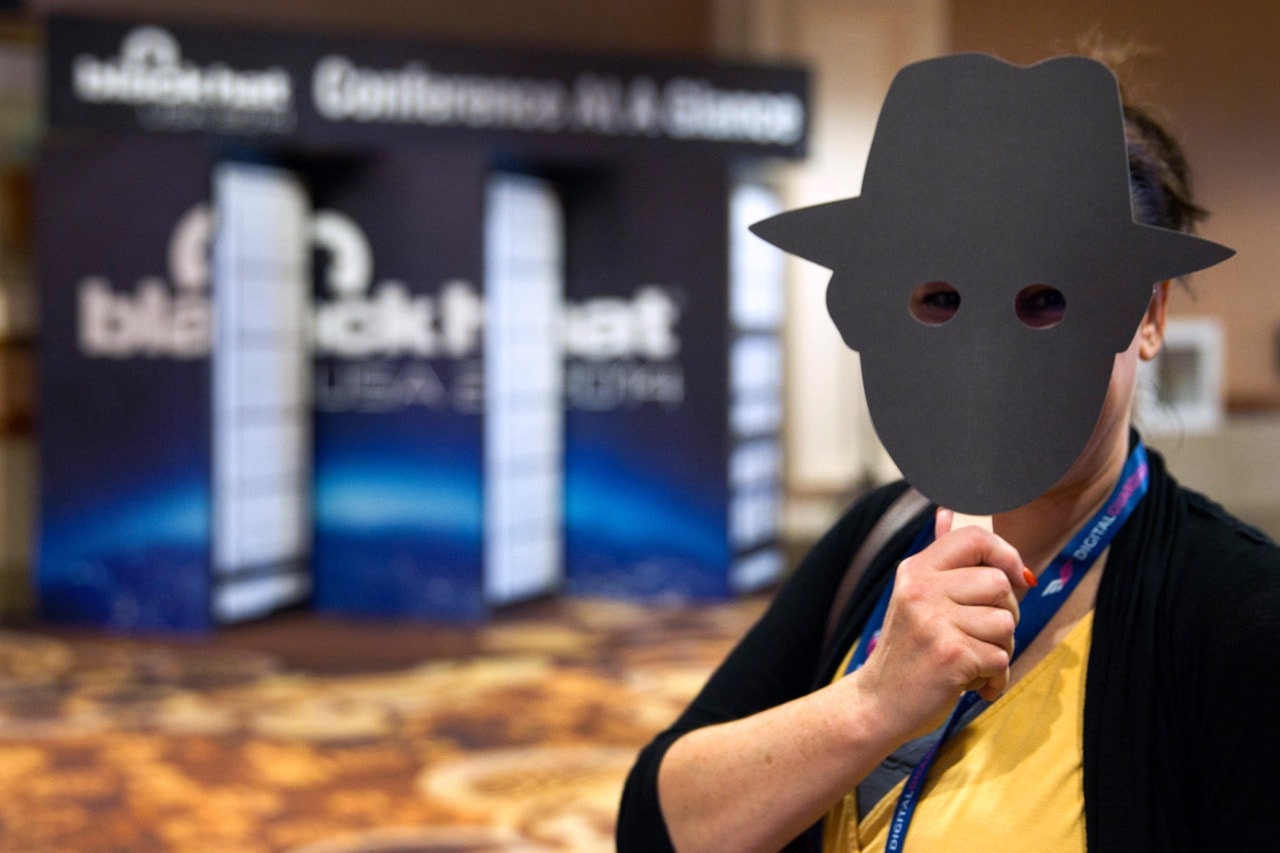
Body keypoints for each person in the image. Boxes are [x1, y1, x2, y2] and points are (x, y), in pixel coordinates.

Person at [616, 54, 1280, 853]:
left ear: (1148, 315)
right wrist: (869, 704)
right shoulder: (882, 533)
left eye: (1047, 301)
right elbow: (659, 826)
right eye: (942, 300)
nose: (989, 357)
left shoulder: (1243, 615)